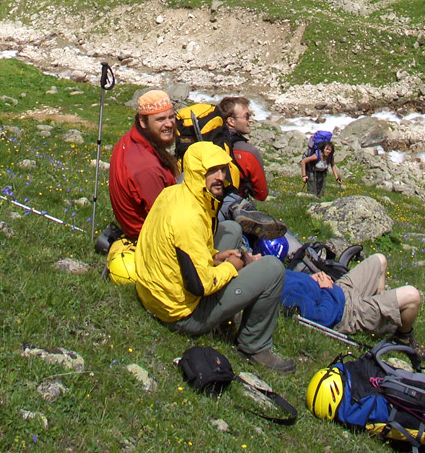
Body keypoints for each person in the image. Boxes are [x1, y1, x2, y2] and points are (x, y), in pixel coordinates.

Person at [135, 141, 295, 373]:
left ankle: (230, 314)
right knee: (272, 268)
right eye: (212, 171)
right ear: (197, 172)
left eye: (223, 169)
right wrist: (233, 266)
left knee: (231, 229)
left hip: (153, 294)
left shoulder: (174, 193)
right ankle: (254, 346)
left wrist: (215, 255)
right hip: (181, 314)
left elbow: (181, 249)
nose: (221, 176)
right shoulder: (189, 217)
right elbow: (199, 285)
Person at [281, 252, 425, 359]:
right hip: (346, 313)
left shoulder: (272, 273)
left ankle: (378, 315)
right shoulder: (282, 295)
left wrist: (312, 279)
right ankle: (403, 337)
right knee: (412, 296)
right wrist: (326, 288)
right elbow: (323, 318)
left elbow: (298, 283)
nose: (258, 255)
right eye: (255, 256)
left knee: (380, 260)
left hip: (340, 290)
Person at [108, 89, 178, 241]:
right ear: (142, 122)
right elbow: (167, 220)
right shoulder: (147, 168)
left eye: (171, 117)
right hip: (150, 241)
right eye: (160, 120)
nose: (169, 124)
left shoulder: (131, 140)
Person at [219, 95, 268, 203]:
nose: (251, 120)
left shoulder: (210, 143)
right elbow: (262, 194)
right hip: (235, 205)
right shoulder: (249, 152)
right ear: (231, 121)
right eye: (246, 116)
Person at [301, 130, 343, 195]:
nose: (327, 151)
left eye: (329, 150)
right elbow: (304, 161)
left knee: (320, 194)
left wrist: (337, 178)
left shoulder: (330, 157)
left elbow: (332, 165)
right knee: (312, 193)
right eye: (326, 149)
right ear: (323, 149)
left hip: (323, 174)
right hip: (313, 173)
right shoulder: (316, 156)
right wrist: (304, 176)